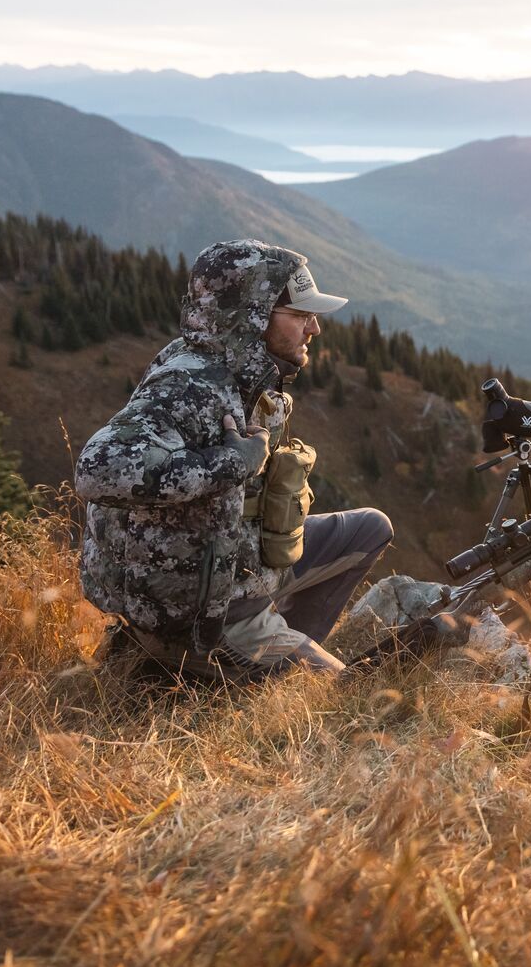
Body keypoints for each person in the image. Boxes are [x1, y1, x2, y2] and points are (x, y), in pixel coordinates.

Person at [75, 239, 393, 679]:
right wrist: (229, 463)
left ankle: (277, 649)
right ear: (252, 317)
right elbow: (96, 469)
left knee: (371, 528)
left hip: (242, 567)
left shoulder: (242, 370)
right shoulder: (189, 384)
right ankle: (240, 664)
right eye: (300, 315)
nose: (315, 328)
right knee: (345, 693)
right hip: (207, 609)